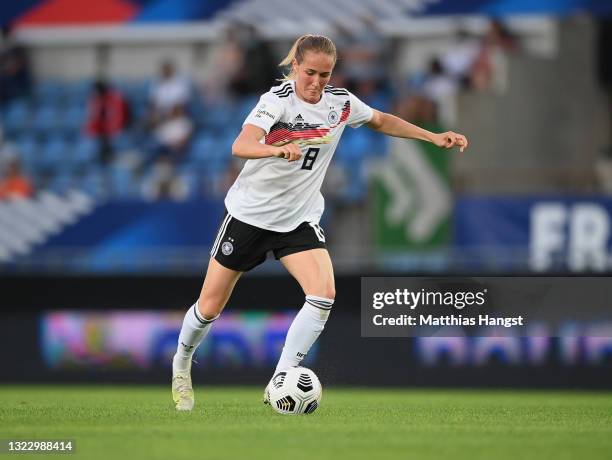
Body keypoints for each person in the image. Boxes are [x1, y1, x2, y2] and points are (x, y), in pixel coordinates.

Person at [171, 34, 468, 411]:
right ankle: (181, 365)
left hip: (299, 218)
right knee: (210, 307)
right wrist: (275, 148)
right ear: (295, 66)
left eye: (324, 75)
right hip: (250, 216)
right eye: (310, 72)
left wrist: (431, 135)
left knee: (323, 293)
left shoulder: (340, 104)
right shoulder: (275, 101)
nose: (316, 82)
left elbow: (381, 119)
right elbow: (240, 145)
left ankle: (281, 377)